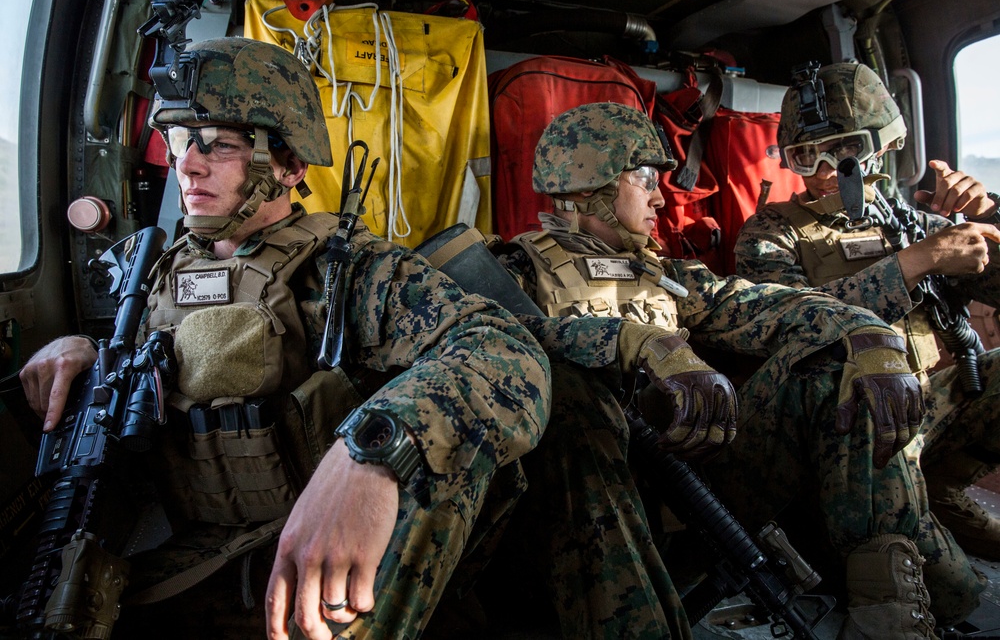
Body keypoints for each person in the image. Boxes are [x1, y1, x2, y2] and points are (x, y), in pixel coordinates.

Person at [16, 36, 553, 640]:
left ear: (290, 166)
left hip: (309, 556)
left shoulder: (347, 270)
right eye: (177, 141)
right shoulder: (158, 273)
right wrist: (78, 351)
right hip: (183, 552)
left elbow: (506, 354)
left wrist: (373, 453)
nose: (187, 165)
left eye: (219, 145)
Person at [492, 101, 957, 639]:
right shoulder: (514, 271)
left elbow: (758, 303)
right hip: (582, 506)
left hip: (692, 486)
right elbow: (500, 341)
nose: (660, 197)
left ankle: (888, 616)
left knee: (829, 367)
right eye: (644, 179)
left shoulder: (663, 272)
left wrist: (861, 329)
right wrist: (630, 341)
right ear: (589, 188)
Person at [734, 62, 1000, 635]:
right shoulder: (770, 233)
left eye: (846, 149)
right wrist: (920, 260)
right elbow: (796, 323)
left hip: (933, 405)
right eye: (808, 157)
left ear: (886, 145)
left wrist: (986, 215)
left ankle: (942, 488)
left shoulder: (911, 219)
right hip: (853, 428)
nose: (828, 172)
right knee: (957, 595)